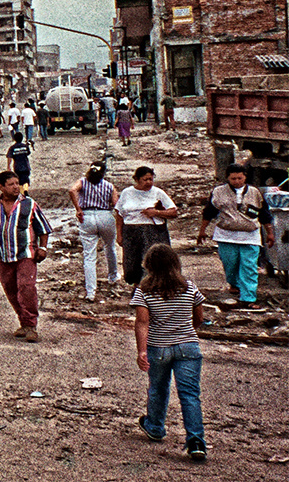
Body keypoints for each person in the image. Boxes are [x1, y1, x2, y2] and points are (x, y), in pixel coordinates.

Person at [131, 244, 207, 462]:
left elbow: (142, 323)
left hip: (159, 347)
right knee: (190, 394)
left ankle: (155, 426)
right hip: (188, 346)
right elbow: (199, 318)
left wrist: (141, 351)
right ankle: (195, 440)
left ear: (149, 266)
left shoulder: (144, 291)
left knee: (158, 388)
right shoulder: (189, 288)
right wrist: (186, 332)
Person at [0, 170, 52, 343]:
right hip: (4, 256)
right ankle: (23, 323)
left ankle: (31, 326)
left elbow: (43, 228)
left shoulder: (29, 204)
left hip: (26, 254)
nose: (16, 187)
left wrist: (43, 248)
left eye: (17, 183)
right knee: (10, 290)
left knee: (26, 287)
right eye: (11, 184)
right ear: (1, 187)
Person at [197, 163, 274, 310]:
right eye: (233, 179)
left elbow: (264, 214)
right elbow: (209, 212)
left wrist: (269, 233)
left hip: (250, 235)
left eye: (240, 178)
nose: (237, 181)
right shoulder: (219, 192)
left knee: (249, 266)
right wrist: (202, 230)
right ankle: (235, 283)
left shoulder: (254, 192)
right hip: (227, 235)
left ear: (245, 177)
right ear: (228, 178)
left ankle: (248, 297)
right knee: (229, 263)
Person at [116, 166, 178, 286]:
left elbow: (173, 212)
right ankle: (136, 286)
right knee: (131, 264)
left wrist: (156, 212)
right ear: (137, 179)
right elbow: (119, 214)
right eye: (145, 179)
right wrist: (119, 234)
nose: (149, 182)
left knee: (149, 262)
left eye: (151, 179)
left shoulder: (158, 193)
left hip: (152, 232)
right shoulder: (127, 193)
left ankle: (147, 289)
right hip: (131, 231)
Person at [70, 163, 120, 301]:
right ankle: (113, 276)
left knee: (89, 255)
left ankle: (91, 291)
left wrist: (78, 208)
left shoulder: (83, 182)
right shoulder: (109, 186)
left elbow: (72, 190)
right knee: (110, 247)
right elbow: (116, 204)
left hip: (86, 216)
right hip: (105, 216)